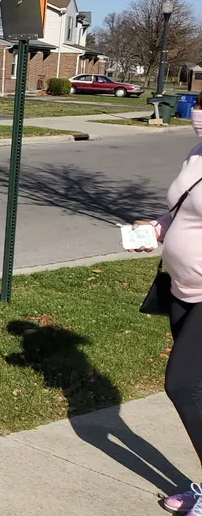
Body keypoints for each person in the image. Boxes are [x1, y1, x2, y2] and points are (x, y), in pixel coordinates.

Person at [129, 105, 202, 515]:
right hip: (180, 289)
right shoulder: (197, 153)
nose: (198, 113)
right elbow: (180, 212)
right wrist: (155, 230)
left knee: (182, 386)